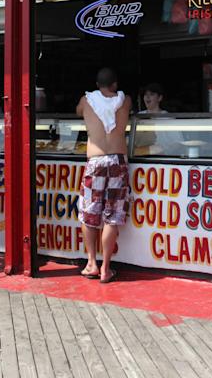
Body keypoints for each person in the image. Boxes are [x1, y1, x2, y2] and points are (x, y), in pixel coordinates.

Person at [77, 67, 132, 283]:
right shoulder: (124, 100)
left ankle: (91, 263)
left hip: (95, 161)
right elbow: (126, 107)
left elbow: (77, 111)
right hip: (117, 161)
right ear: (115, 84)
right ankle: (106, 268)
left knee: (89, 213)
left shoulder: (86, 100)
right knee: (113, 216)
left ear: (96, 84)